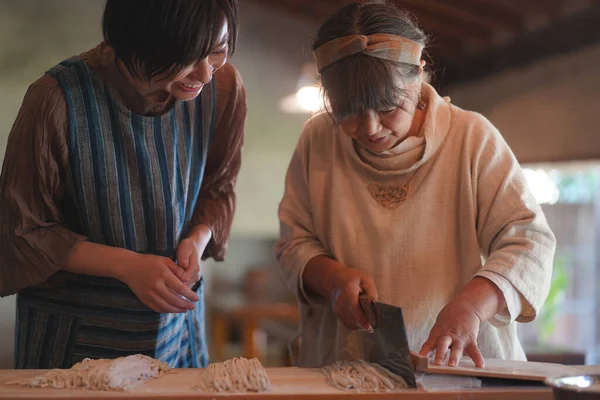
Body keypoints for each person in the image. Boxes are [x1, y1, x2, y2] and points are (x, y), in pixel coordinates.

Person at [275, 1, 555, 369]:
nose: (371, 128)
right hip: (346, 368)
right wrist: (332, 280)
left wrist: (471, 307)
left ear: (419, 75)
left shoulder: (471, 138)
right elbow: (293, 241)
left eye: (389, 107)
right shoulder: (318, 140)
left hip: (460, 368)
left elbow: (529, 242)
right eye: (350, 112)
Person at [0, 0, 246, 369]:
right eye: (185, 58)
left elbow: (219, 186)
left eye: (216, 52)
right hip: (73, 337)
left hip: (175, 334)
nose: (205, 74)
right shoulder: (55, 100)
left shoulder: (223, 89)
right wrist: (125, 266)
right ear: (134, 41)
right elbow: (23, 230)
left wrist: (198, 238)